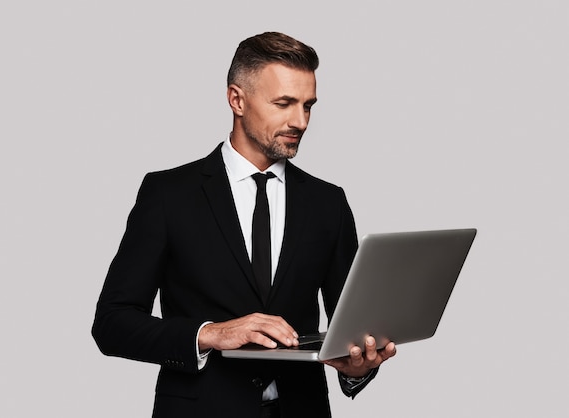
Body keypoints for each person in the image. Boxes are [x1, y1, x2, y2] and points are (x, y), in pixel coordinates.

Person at [92, 31, 396, 418]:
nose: (300, 121)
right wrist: (209, 334)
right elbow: (112, 323)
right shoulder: (168, 195)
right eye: (284, 103)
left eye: (308, 105)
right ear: (237, 99)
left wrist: (357, 369)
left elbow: (349, 328)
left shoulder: (328, 202)